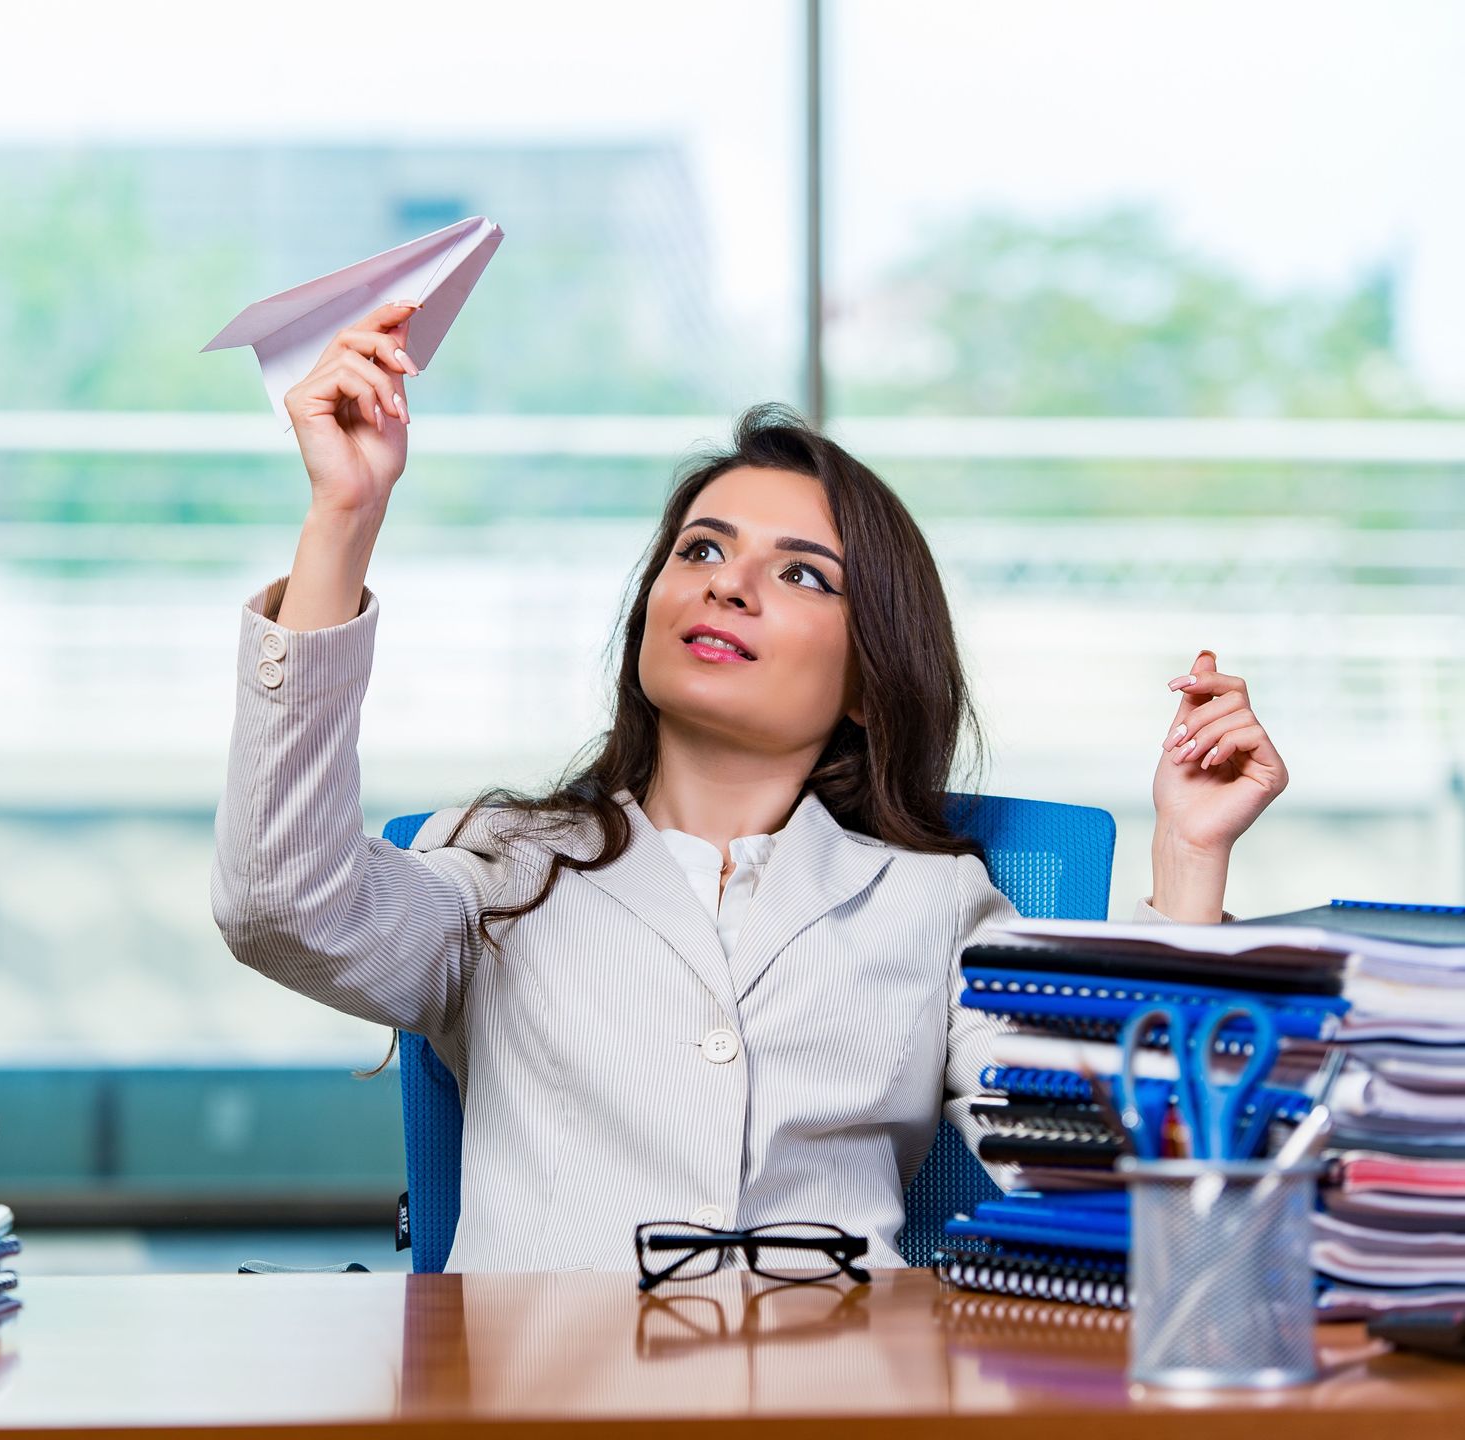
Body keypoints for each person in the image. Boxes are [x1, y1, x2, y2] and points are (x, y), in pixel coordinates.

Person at [209, 301, 1290, 1271]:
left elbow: (1114, 1168)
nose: (728, 580)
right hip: (540, 1398)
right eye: (702, 549)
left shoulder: (934, 904)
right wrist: (343, 516)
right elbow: (279, 907)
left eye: (803, 573)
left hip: (840, 1393)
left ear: (871, 681)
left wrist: (1188, 857)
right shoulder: (504, 865)